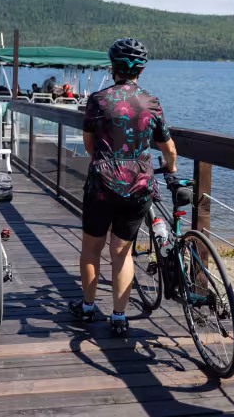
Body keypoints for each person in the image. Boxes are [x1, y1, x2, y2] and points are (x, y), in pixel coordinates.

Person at [69, 37, 178, 335]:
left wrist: (107, 163)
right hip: (139, 184)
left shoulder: (98, 101)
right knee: (122, 251)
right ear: (140, 70)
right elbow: (168, 148)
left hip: (102, 184)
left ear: (112, 66)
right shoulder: (151, 102)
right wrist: (171, 169)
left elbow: (90, 144)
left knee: (92, 248)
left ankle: (89, 308)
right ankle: (119, 316)